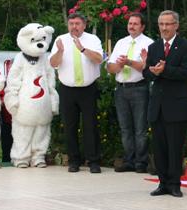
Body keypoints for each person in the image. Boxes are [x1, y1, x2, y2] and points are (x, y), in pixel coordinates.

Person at [143, 10, 187, 198]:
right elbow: (146, 73)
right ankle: (162, 183)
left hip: (176, 105)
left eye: (168, 24)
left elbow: (185, 73)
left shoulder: (186, 46)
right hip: (157, 106)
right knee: (159, 147)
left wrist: (164, 70)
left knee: (175, 147)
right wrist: (153, 73)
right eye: (161, 24)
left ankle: (174, 184)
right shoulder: (154, 47)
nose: (164, 28)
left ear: (176, 25)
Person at [49, 12, 104, 173]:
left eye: (77, 23)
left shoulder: (92, 39)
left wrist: (83, 49)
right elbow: (53, 63)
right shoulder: (61, 39)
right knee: (69, 126)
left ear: (84, 25)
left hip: (88, 89)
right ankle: (74, 161)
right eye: (71, 23)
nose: (74, 26)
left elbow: (99, 59)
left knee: (90, 125)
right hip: (67, 89)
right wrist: (59, 52)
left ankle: (93, 161)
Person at [107, 13, 153, 173]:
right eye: (130, 23)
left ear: (142, 26)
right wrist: (119, 65)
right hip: (121, 88)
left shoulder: (149, 43)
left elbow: (147, 68)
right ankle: (129, 160)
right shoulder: (121, 42)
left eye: (135, 23)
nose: (131, 26)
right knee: (125, 128)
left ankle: (141, 162)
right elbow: (110, 67)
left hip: (139, 88)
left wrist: (129, 62)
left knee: (140, 128)